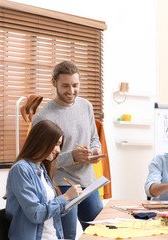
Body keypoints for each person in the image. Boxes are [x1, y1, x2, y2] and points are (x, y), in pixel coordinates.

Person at [31, 61, 103, 239]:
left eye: (75, 85)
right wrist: (71, 156)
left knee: (100, 232)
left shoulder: (86, 106)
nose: (71, 91)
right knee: (67, 235)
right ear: (53, 82)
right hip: (60, 183)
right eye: (65, 86)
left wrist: (94, 152)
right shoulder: (43, 118)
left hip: (88, 180)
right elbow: (38, 159)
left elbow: (94, 137)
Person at [6, 120, 83, 240]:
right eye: (56, 144)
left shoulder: (41, 168)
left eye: (60, 145)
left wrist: (71, 200)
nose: (58, 150)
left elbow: (52, 211)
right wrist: (65, 197)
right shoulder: (21, 169)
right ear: (42, 141)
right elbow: (36, 214)